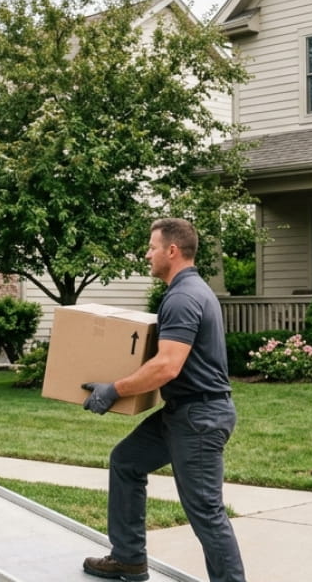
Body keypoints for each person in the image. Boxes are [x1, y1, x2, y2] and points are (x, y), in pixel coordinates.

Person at [80, 218, 245, 582]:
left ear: (172, 250)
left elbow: (168, 366)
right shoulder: (189, 291)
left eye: (151, 247)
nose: (146, 254)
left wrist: (114, 390)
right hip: (182, 412)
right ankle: (128, 558)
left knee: (205, 511)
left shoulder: (184, 297)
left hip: (199, 419)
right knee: (126, 461)